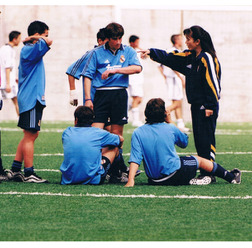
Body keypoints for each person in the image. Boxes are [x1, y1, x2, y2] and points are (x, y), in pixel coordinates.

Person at [139, 25, 221, 180]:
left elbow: (213, 83)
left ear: (197, 41)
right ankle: (206, 171)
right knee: (199, 139)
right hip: (196, 105)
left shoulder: (207, 58)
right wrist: (152, 52)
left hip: (207, 106)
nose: (186, 42)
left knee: (206, 138)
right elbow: (172, 57)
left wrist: (210, 105)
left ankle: (209, 173)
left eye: (188, 39)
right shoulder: (190, 57)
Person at [125, 98, 241, 187]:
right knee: (199, 160)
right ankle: (231, 177)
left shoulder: (138, 132)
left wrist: (131, 180)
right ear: (164, 113)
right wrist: (170, 121)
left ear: (146, 113)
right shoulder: (170, 128)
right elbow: (184, 143)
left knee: (182, 161)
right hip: (174, 173)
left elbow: (135, 159)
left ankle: (189, 180)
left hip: (154, 180)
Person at [82, 22, 142, 182]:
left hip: (119, 95)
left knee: (117, 136)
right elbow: (87, 75)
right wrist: (88, 98)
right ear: (107, 39)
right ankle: (94, 169)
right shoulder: (96, 53)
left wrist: (116, 70)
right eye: (115, 39)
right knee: (95, 134)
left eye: (120, 38)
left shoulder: (128, 51)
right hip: (101, 96)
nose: (118, 41)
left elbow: (137, 68)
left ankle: (114, 172)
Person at [5, 20, 53, 183]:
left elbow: (46, 41)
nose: (47, 37)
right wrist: (35, 37)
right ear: (38, 35)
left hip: (32, 98)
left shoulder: (29, 49)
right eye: (44, 33)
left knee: (30, 134)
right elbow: (48, 41)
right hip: (32, 99)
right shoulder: (30, 50)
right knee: (31, 135)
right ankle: (29, 173)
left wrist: (33, 38)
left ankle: (16, 169)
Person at [60, 106, 124, 185]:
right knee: (114, 147)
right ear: (92, 121)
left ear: (76, 120)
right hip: (93, 179)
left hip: (68, 179)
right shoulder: (98, 133)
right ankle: (117, 175)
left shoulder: (67, 132)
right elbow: (121, 139)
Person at [67, 28, 108, 106]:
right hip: (93, 100)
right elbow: (71, 71)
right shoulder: (92, 54)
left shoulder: (113, 54)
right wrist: (73, 93)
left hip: (107, 98)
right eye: (107, 42)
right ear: (100, 41)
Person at [158, 34, 188, 132]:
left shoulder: (172, 50)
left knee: (177, 101)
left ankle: (180, 124)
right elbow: (174, 66)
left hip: (171, 78)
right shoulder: (173, 51)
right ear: (176, 40)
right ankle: (163, 113)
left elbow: (160, 66)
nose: (182, 41)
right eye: (180, 39)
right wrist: (181, 78)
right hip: (174, 78)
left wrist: (165, 76)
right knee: (177, 102)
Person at [0, 31, 21, 116]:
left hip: (5, 81)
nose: (20, 41)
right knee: (18, 102)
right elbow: (7, 67)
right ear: (14, 39)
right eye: (19, 38)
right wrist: (8, 83)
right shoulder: (8, 50)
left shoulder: (4, 48)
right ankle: (24, 124)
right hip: (6, 83)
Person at [128, 35, 144, 127]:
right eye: (137, 42)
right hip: (133, 79)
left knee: (139, 99)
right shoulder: (130, 52)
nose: (138, 44)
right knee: (136, 98)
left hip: (139, 79)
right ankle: (135, 120)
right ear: (132, 43)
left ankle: (126, 109)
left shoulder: (137, 51)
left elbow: (145, 56)